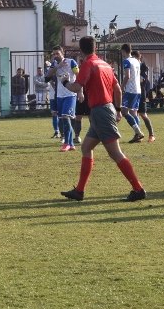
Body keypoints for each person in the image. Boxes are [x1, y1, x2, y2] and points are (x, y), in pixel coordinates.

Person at [60, 36, 146, 202]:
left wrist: (64, 82)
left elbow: (76, 87)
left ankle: (138, 188)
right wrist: (118, 110)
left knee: (115, 153)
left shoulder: (89, 64)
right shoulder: (104, 64)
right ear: (95, 48)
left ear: (81, 50)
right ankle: (79, 191)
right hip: (105, 109)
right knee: (86, 147)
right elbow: (118, 89)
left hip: (100, 111)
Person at [47, 46, 78, 151]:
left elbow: (79, 75)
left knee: (65, 117)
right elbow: (47, 77)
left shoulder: (71, 62)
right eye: (54, 54)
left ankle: (66, 143)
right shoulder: (54, 64)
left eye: (57, 53)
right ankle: (71, 143)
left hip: (70, 94)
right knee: (63, 119)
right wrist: (57, 66)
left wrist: (81, 91)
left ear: (62, 53)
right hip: (59, 95)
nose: (55, 56)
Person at [120, 44, 145, 143]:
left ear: (124, 51)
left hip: (130, 90)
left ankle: (138, 132)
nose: (121, 54)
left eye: (121, 52)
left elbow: (127, 76)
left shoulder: (127, 61)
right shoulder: (136, 60)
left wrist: (121, 87)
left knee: (124, 111)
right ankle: (137, 136)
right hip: (138, 90)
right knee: (134, 112)